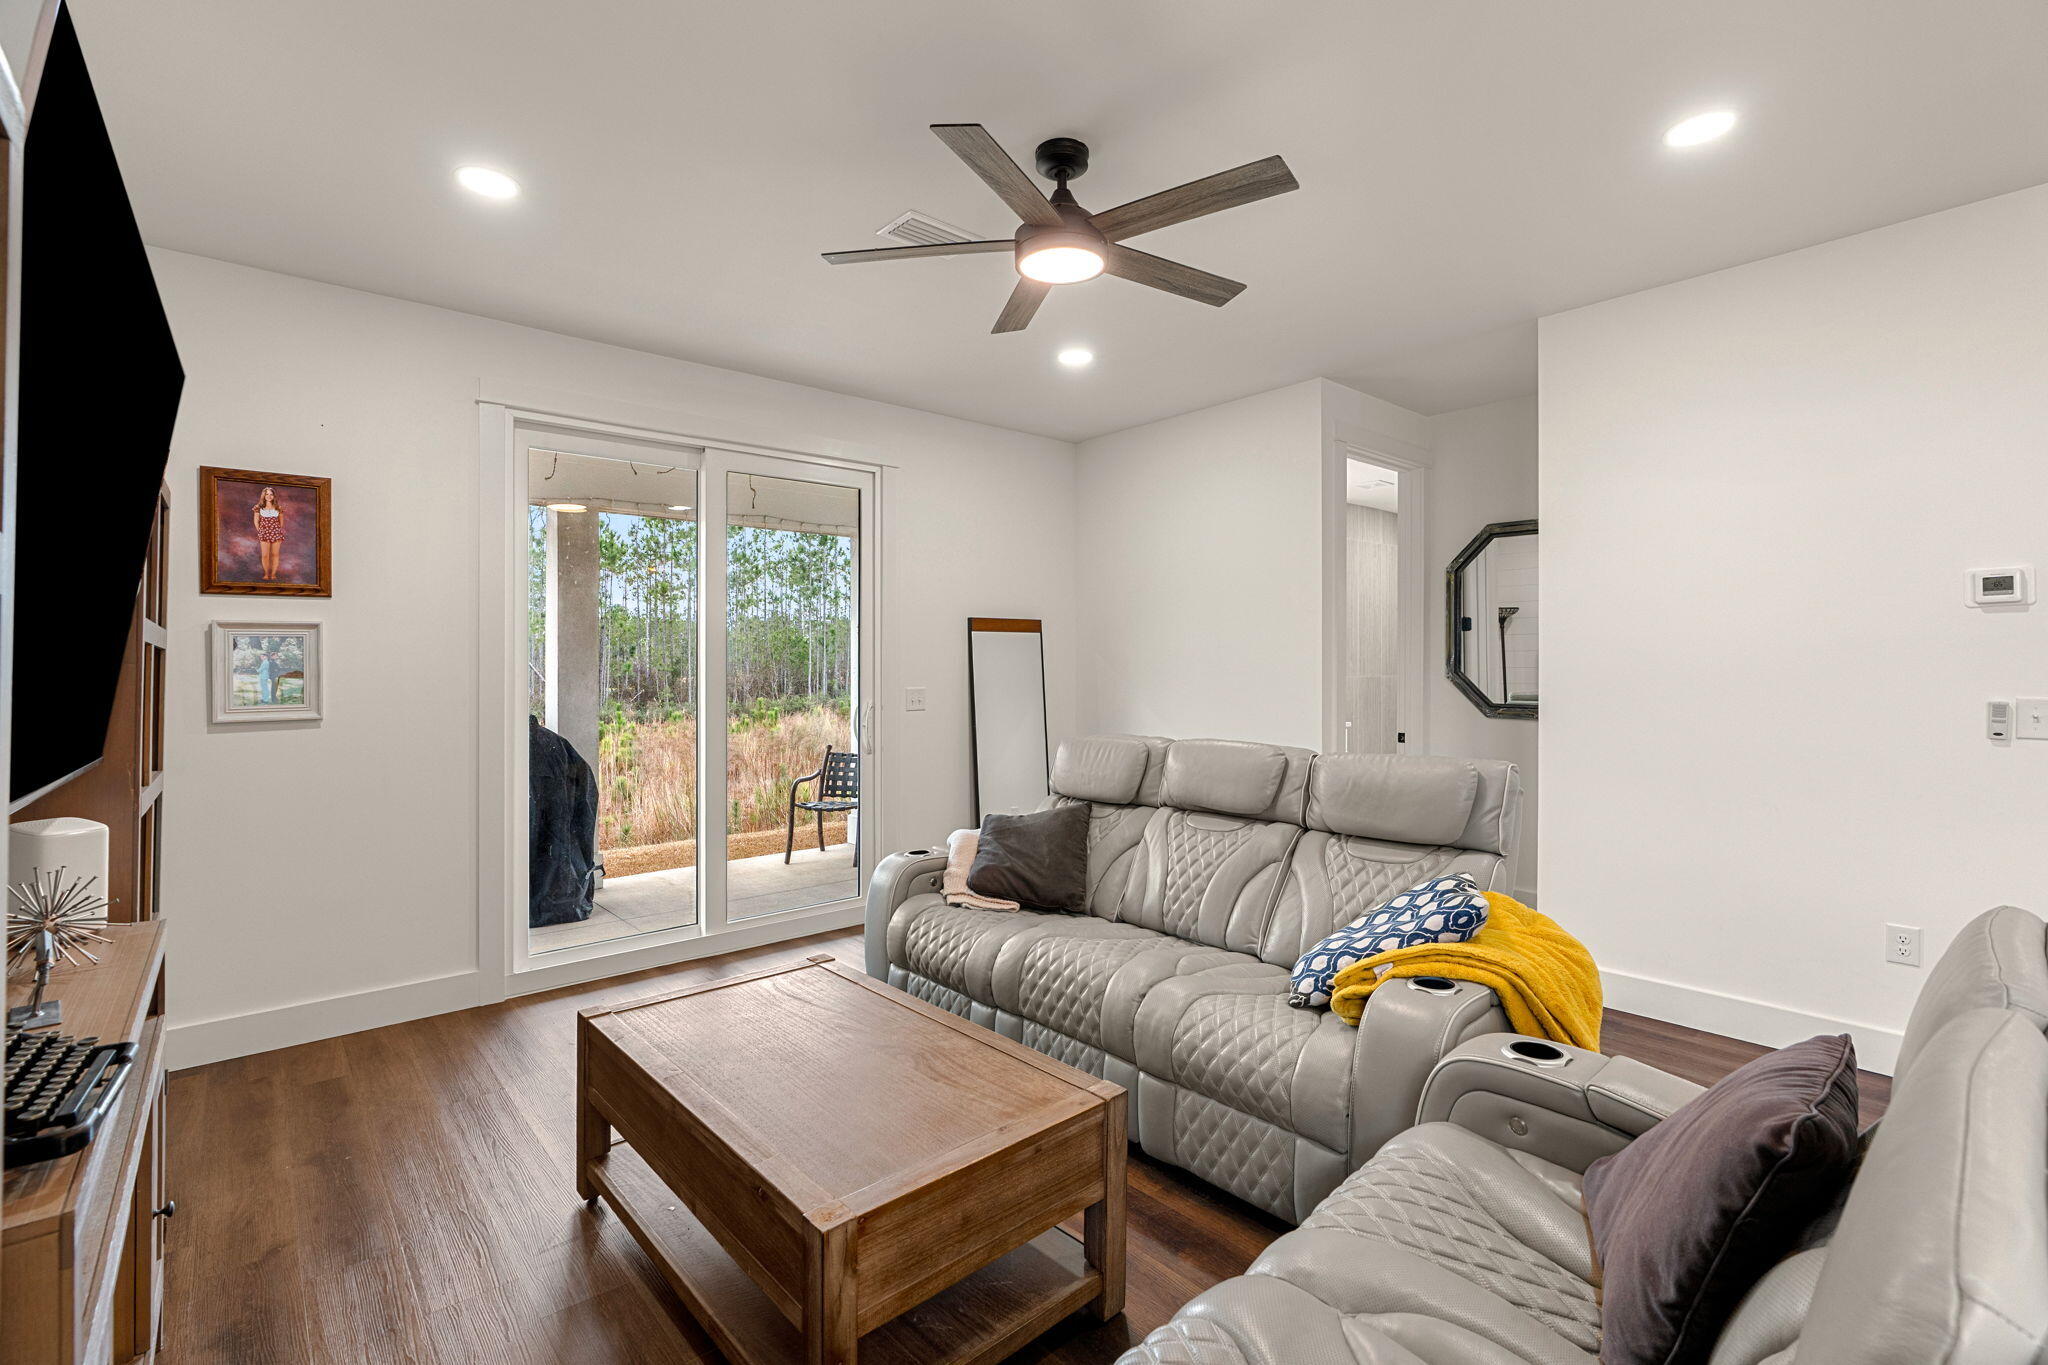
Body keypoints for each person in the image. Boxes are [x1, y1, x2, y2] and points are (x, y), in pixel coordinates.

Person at [252, 487, 287, 581]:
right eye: (267, 494)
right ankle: (266, 574)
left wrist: (276, 530)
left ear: (274, 496)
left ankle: (273, 574)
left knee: (275, 554)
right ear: (263, 496)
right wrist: (261, 531)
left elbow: (281, 522)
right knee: (265, 555)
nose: (269, 496)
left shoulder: (278, 508)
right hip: (264, 533)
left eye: (271, 494)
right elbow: (256, 521)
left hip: (276, 533)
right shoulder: (258, 508)